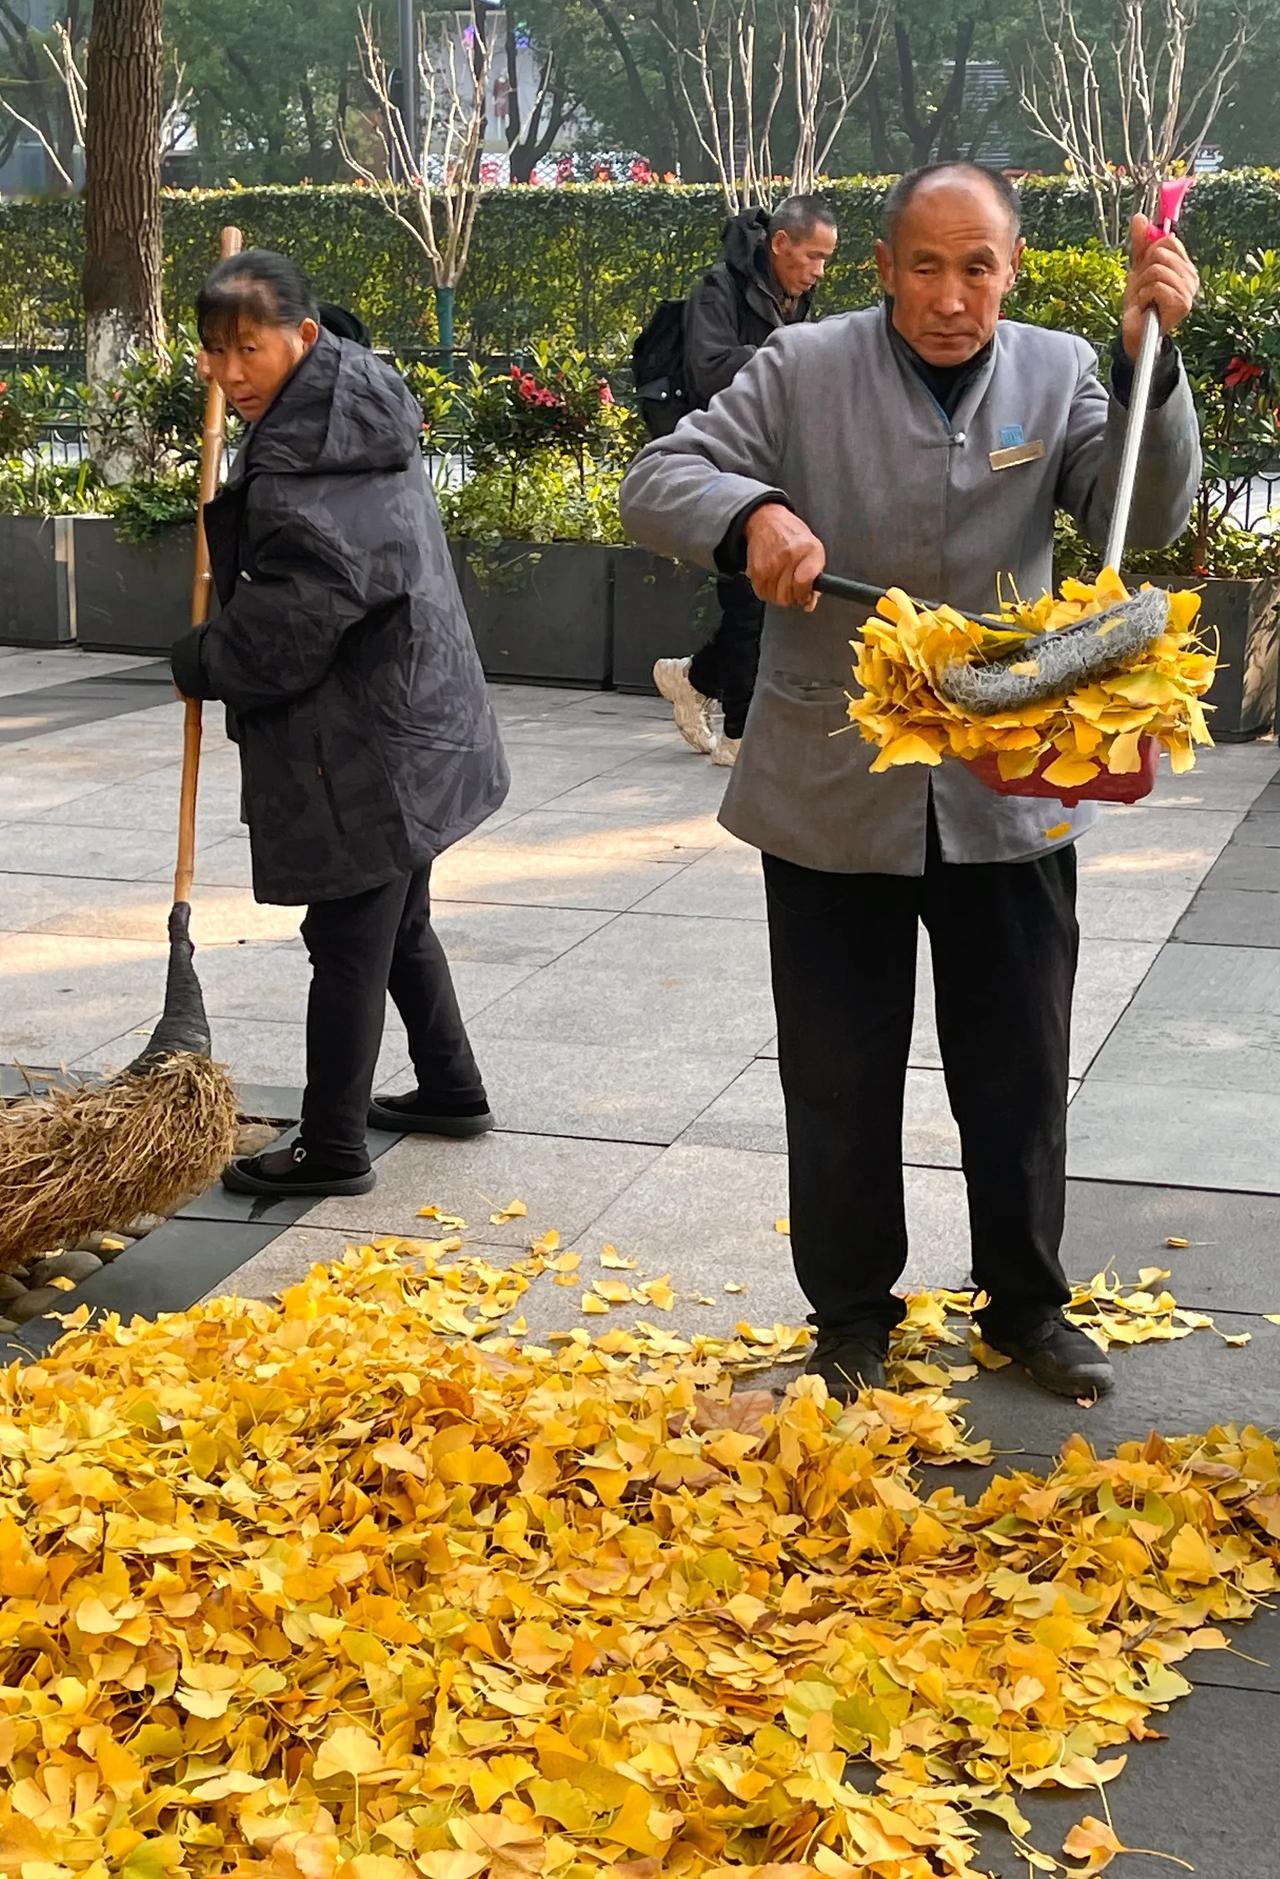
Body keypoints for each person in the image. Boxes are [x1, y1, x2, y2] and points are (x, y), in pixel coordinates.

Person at [621, 163, 1201, 1402]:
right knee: (835, 1072)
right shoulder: (801, 368)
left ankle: (1026, 1307)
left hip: (1009, 779)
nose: (950, 297)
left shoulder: (1058, 371)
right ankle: (848, 1316)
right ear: (879, 269)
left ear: (1012, 268)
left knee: (1018, 1064)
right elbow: (659, 478)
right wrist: (752, 514)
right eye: (923, 268)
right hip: (833, 782)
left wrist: (1160, 358)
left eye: (975, 267)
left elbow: (1136, 512)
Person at [171, 249, 509, 1200]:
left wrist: (199, 658)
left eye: (250, 348)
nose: (230, 373)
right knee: (396, 921)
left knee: (351, 938)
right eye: (214, 351)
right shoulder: (343, 409)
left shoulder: (310, 461)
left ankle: (331, 1147)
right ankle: (451, 1086)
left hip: (367, 740)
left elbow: (289, 626)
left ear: (304, 338)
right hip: (415, 719)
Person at [652, 196, 838, 768]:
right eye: (812, 256)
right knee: (750, 600)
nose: (818, 271)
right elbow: (707, 369)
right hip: (721, 457)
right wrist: (789, 358)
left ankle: (694, 678)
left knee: (763, 599)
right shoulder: (717, 289)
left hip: (775, 456)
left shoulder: (794, 292)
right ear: (779, 244)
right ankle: (738, 732)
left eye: (827, 260)